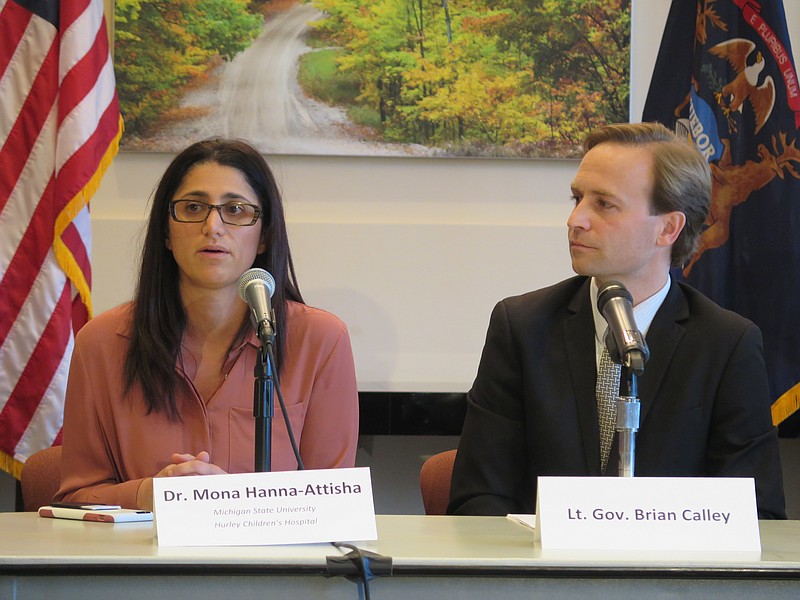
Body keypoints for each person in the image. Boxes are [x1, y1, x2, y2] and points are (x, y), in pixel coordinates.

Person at [448, 122, 786, 519]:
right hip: (542, 575)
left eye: (604, 204)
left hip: (670, 577)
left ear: (668, 228)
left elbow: (757, 515)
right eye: (577, 198)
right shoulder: (522, 326)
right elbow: (477, 499)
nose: (576, 219)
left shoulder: (727, 343)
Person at [54, 138, 359, 511]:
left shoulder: (320, 340)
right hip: (145, 562)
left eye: (236, 209)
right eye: (193, 207)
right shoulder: (102, 342)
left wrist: (228, 501)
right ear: (165, 232)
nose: (212, 226)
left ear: (264, 235)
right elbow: (75, 499)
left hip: (272, 566)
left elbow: (335, 502)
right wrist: (147, 495)